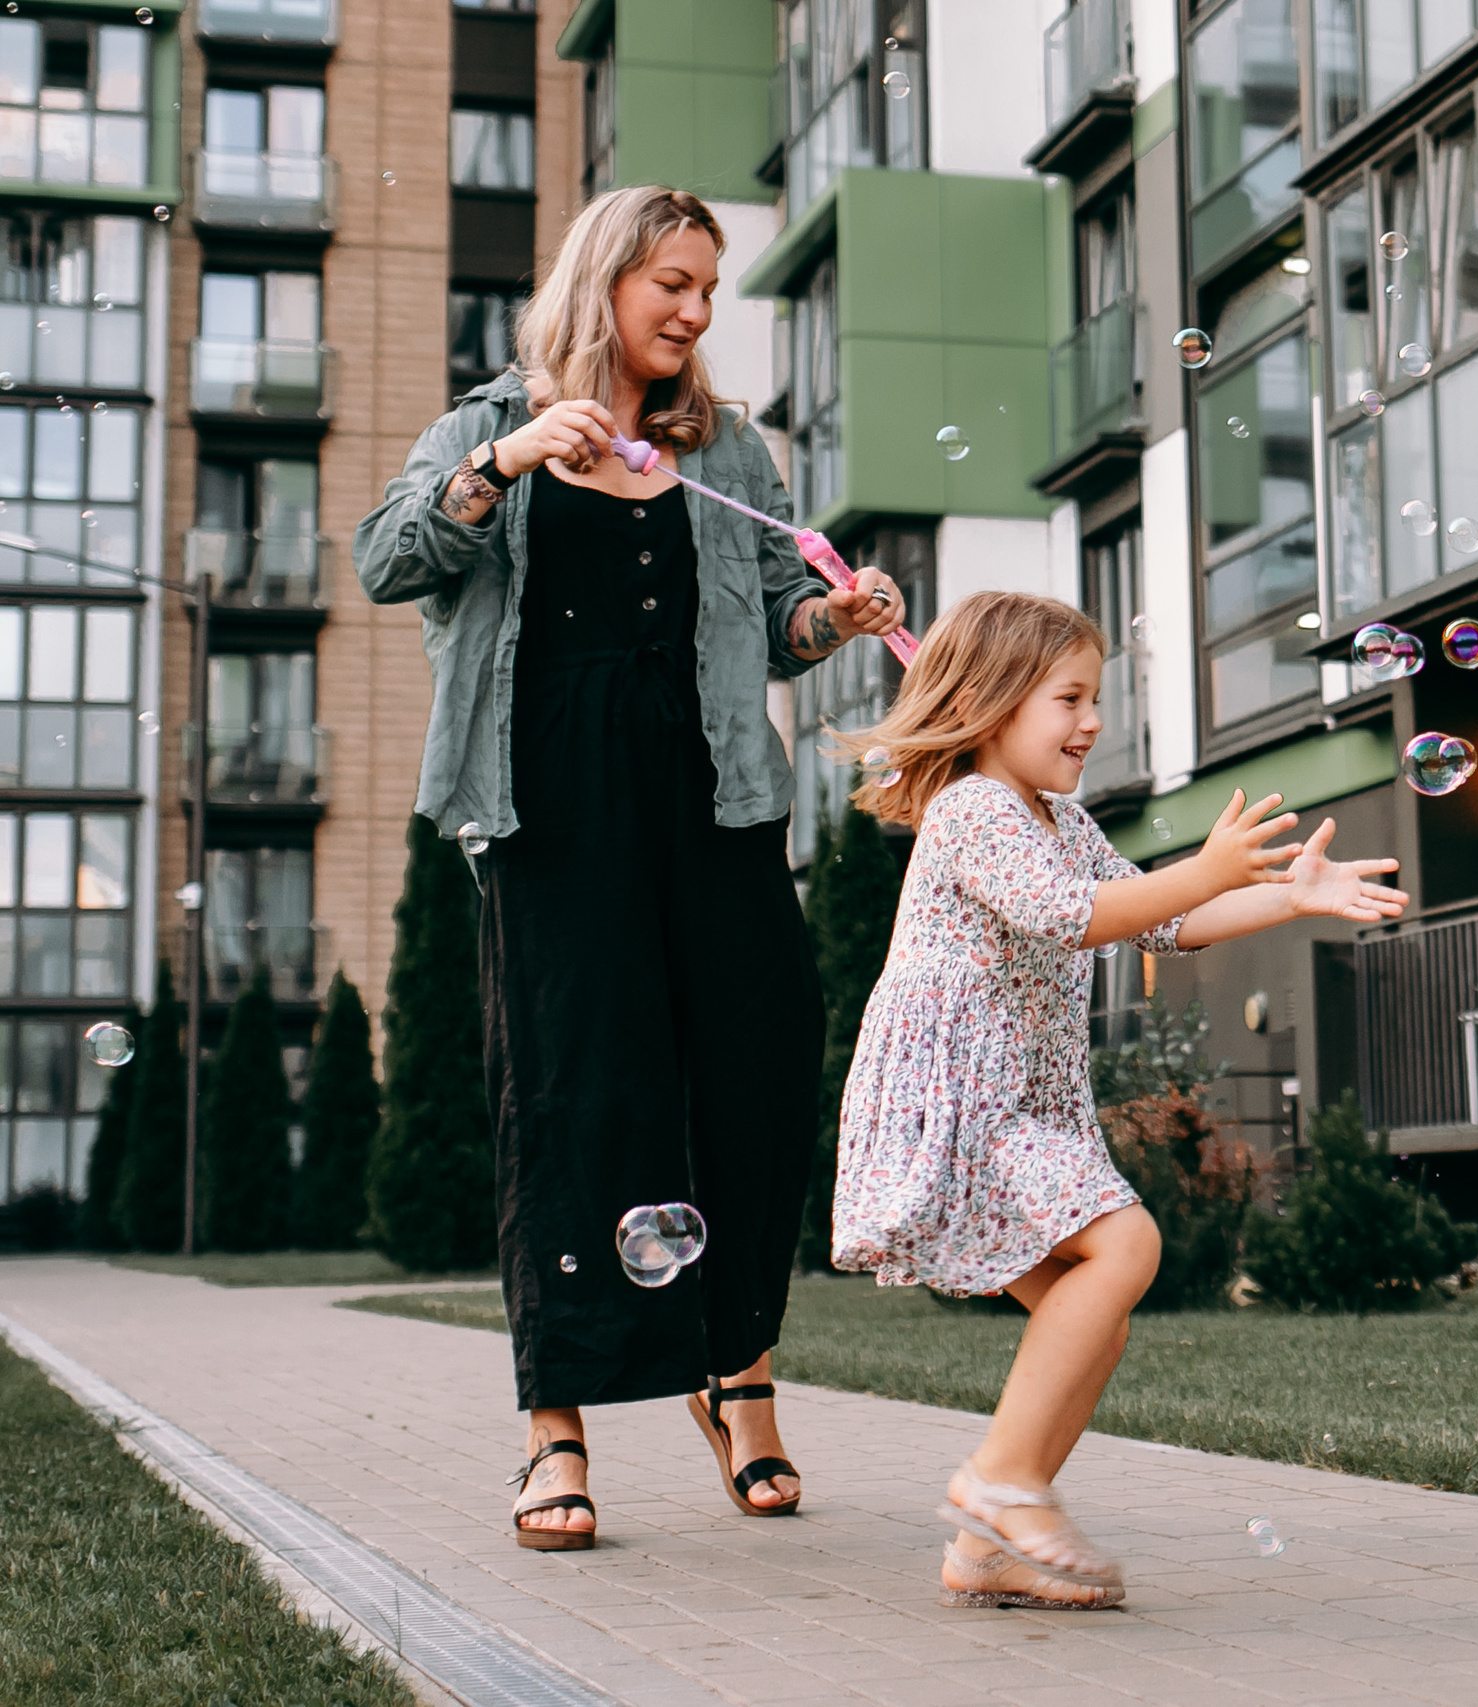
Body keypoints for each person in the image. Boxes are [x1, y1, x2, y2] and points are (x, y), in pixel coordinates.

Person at [353, 185, 909, 1550]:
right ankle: (555, 1427)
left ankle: (738, 1375)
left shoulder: (725, 447)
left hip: (714, 793)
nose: (696, 311)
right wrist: (506, 463)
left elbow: (776, 612)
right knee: (572, 1095)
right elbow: (384, 560)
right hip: (550, 803)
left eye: (709, 289)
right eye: (673, 282)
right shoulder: (483, 427)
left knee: (758, 1069)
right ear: (603, 277)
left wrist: (831, 617)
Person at [829, 591, 1408, 1609]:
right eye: (1069, 698)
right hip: (965, 1097)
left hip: (1018, 1099)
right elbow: (1078, 914)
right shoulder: (973, 808)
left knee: (1093, 1315)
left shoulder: (1059, 817)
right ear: (990, 700)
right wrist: (1204, 869)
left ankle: (987, 1546)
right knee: (1125, 1243)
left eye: (1095, 697)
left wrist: (1284, 894)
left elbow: (1158, 924)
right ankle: (1000, 1482)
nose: (1092, 720)